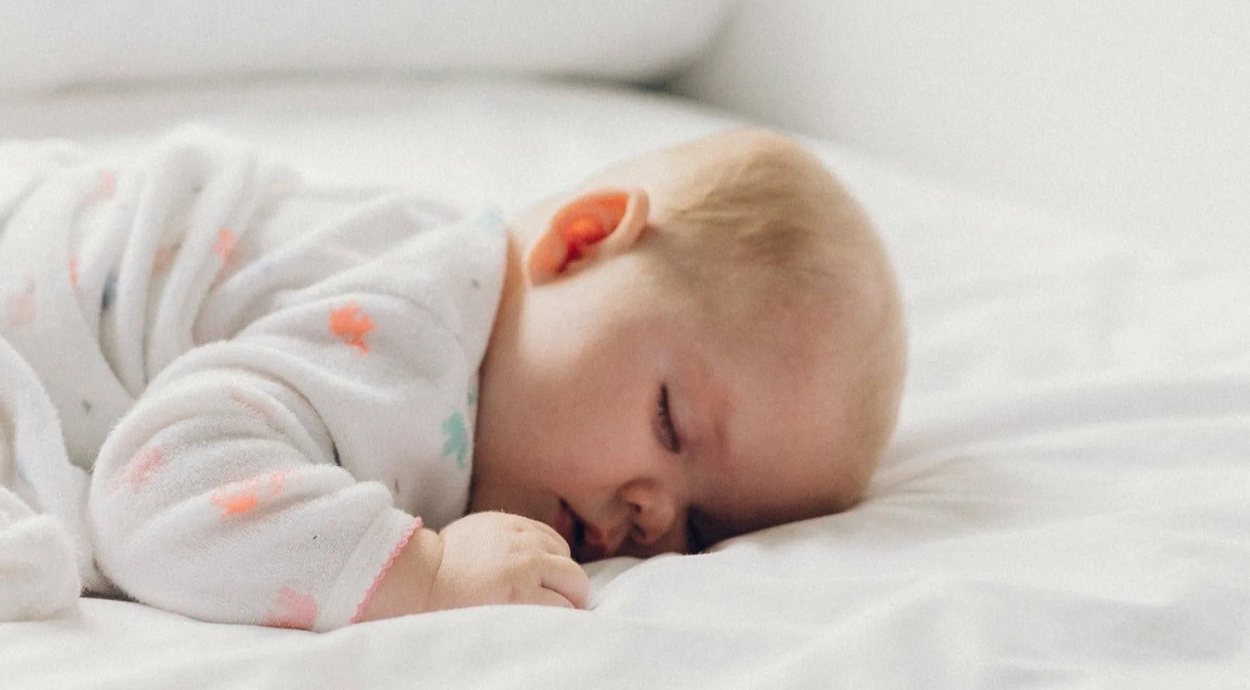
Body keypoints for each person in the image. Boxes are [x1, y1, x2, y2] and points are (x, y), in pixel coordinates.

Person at [0, 127, 906, 629]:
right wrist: (421, 572)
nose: (654, 515)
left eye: (704, 525)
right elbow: (152, 495)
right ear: (581, 242)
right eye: (671, 424)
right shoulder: (414, 345)